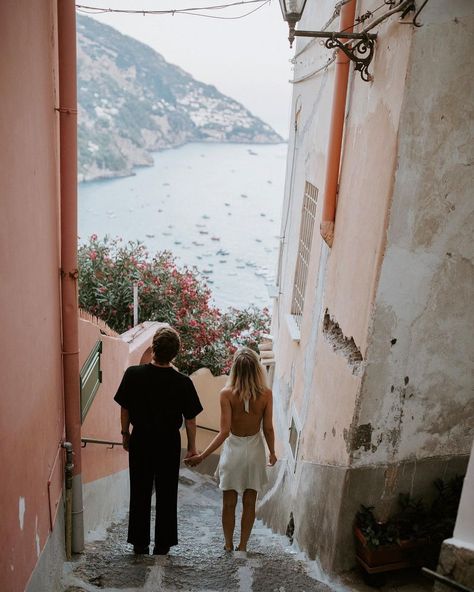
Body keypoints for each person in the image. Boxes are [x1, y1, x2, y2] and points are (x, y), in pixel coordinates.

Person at [114, 326, 203, 555]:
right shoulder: (183, 382)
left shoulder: (133, 375)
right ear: (175, 353)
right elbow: (190, 419)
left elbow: (125, 407)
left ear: (153, 348)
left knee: (140, 490)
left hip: (141, 439)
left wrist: (125, 434)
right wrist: (191, 447)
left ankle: (139, 542)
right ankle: (162, 544)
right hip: (168, 443)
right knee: (167, 492)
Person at [185, 347, 277, 552]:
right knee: (250, 502)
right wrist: (272, 451)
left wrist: (202, 455)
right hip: (255, 451)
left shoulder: (226, 394)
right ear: (257, 369)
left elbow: (224, 432)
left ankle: (228, 544)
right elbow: (268, 428)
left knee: (229, 502)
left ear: (235, 368)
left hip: (233, 451)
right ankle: (242, 545)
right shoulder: (266, 394)